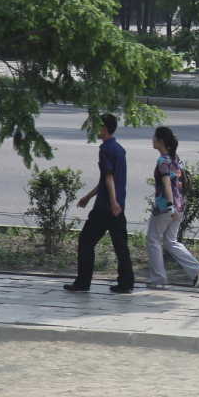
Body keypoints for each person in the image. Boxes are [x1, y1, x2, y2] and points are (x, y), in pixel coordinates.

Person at [64, 113, 135, 294]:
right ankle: (126, 283)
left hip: (105, 207)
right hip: (119, 207)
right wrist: (88, 196)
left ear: (103, 128)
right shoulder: (120, 149)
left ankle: (83, 283)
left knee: (86, 242)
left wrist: (111, 202)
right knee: (121, 247)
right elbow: (106, 179)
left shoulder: (104, 149)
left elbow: (109, 176)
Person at [146, 126, 199, 288]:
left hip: (166, 206)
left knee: (153, 240)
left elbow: (166, 184)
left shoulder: (162, 161)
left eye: (154, 137)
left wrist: (170, 207)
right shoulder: (176, 158)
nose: (152, 140)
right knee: (171, 241)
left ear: (161, 141)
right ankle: (196, 270)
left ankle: (158, 279)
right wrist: (175, 207)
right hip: (180, 205)